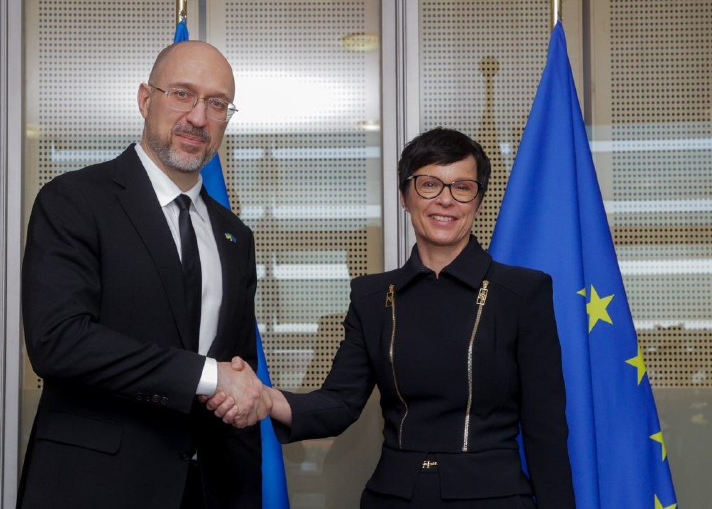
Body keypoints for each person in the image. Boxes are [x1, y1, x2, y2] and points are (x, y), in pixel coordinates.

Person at [210, 127, 576, 508]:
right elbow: (340, 402)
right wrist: (268, 400)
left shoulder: (522, 293)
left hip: (495, 498)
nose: (446, 200)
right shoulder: (372, 298)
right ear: (405, 196)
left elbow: (545, 429)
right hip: (393, 498)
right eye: (429, 184)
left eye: (462, 187)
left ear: (478, 201)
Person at [18, 41, 271, 509]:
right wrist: (207, 376)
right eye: (182, 94)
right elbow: (58, 341)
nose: (198, 117)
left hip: (210, 490)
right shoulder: (74, 200)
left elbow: (237, 371)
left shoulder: (235, 236)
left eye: (217, 104)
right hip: (94, 489)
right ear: (144, 99)